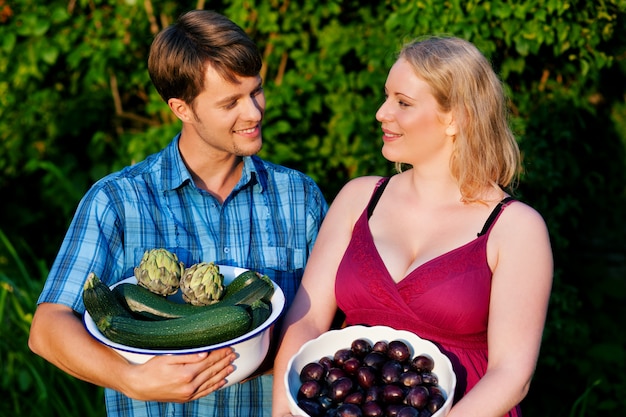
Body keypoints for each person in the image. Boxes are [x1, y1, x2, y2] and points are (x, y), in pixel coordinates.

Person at [28, 9, 328, 417]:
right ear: (181, 108)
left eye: (256, 91)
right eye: (231, 103)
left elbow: (333, 319)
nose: (254, 113)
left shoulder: (300, 197)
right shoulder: (117, 200)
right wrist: (129, 378)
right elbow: (48, 328)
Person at [272, 35, 553, 417]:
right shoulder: (359, 198)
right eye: (387, 97)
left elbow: (512, 373)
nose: (382, 113)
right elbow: (305, 322)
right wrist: (284, 411)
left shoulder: (515, 227)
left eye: (403, 103)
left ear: (456, 118)